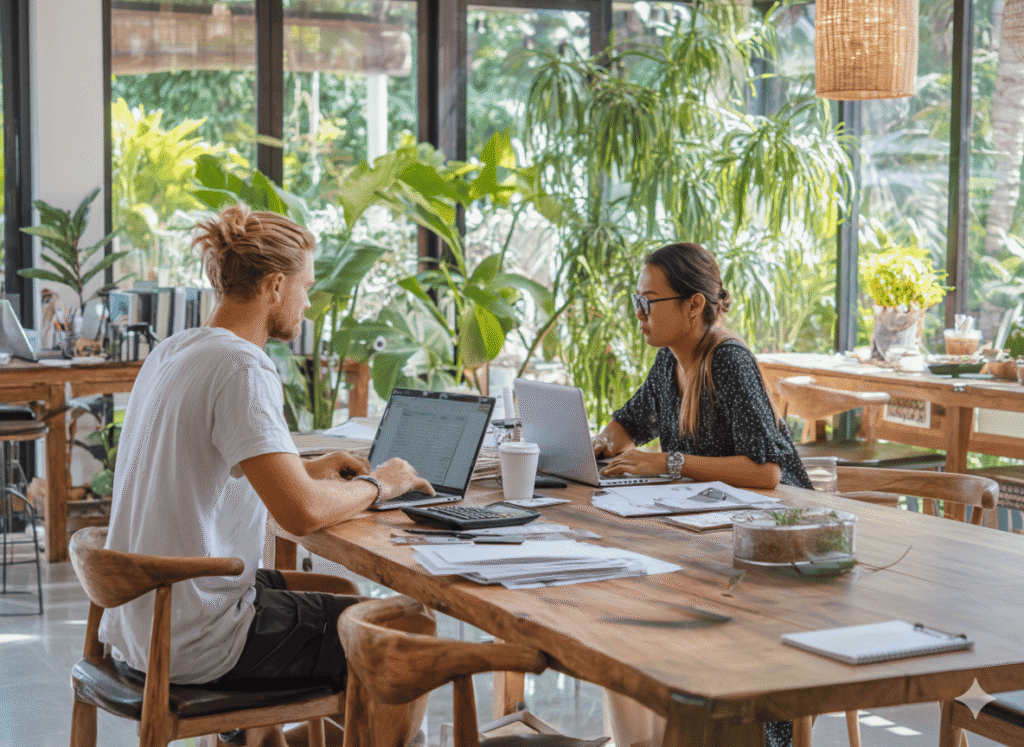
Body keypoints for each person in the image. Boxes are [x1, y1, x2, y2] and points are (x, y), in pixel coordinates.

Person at [99, 205, 433, 744]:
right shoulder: (242, 366)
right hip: (194, 633)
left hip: (142, 619)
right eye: (306, 287)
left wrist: (305, 468)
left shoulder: (177, 350)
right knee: (405, 632)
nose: (307, 303)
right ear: (276, 286)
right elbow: (298, 514)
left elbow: (209, 461)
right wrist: (383, 485)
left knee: (337, 590)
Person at [592, 242, 809, 747]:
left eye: (651, 301)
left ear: (694, 305)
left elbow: (767, 472)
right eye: (637, 301)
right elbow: (628, 421)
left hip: (778, 548)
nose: (640, 314)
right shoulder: (670, 364)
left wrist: (667, 462)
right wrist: (603, 444)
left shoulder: (727, 360)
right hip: (715, 536)